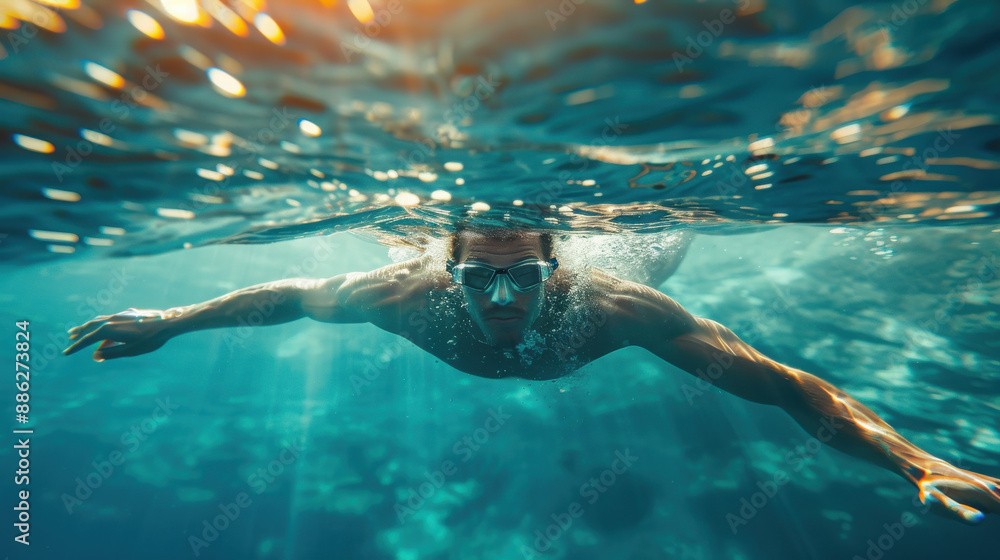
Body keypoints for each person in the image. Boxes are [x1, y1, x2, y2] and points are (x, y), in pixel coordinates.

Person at [63, 227, 1000, 524]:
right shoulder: (404, 290)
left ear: (558, 270)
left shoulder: (618, 307)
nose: (501, 294)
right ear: (451, 270)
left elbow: (789, 385)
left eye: (525, 274)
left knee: (659, 240)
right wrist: (173, 322)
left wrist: (915, 461)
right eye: (479, 276)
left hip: (635, 252)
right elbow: (290, 293)